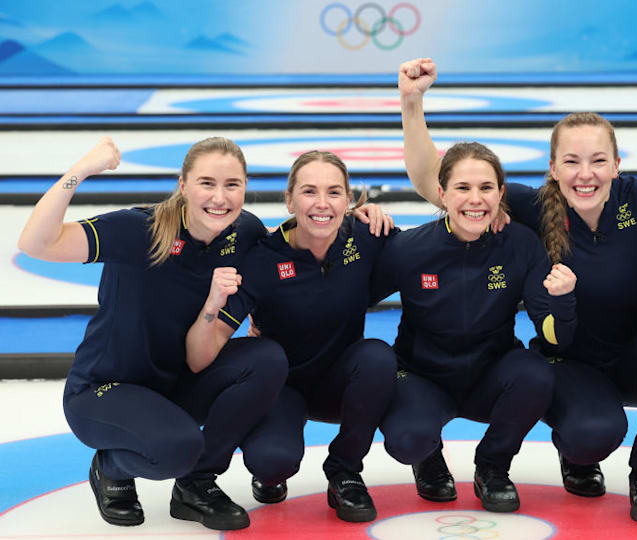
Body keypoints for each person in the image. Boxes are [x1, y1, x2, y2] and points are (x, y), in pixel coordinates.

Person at [397, 57, 637, 522]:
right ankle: (576, 453)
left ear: (617, 165)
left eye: (598, 161)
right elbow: (432, 182)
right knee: (591, 436)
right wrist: (412, 102)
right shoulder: (529, 205)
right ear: (553, 169)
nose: (586, 174)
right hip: (568, 363)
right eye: (572, 162)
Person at [17, 137, 287, 531]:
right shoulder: (137, 230)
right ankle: (110, 466)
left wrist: (360, 221)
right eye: (206, 183)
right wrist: (82, 170)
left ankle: (197, 485)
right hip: (103, 390)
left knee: (265, 358)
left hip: (175, 384)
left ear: (245, 188)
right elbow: (35, 243)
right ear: (183, 185)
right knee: (177, 448)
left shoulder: (243, 232)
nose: (220, 197)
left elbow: (295, 242)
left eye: (232, 185)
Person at [188, 150, 398, 523]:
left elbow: (433, 256)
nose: (322, 204)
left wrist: (500, 224)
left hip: (340, 382)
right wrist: (210, 305)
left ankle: (345, 471)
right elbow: (205, 349)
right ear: (288, 200)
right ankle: (269, 470)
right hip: (280, 387)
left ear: (349, 201)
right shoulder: (262, 260)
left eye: (334, 193)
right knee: (272, 462)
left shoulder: (367, 237)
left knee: (378, 357)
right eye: (308, 192)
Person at [373, 141, 578, 513]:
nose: (475, 199)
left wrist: (563, 304)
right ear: (442, 194)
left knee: (536, 374)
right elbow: (350, 293)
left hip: (491, 373)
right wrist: (357, 218)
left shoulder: (520, 244)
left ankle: (493, 466)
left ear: (501, 193)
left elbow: (552, 334)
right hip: (424, 376)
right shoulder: (409, 248)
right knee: (407, 439)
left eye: (486, 188)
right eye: (463, 188)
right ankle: (428, 456)